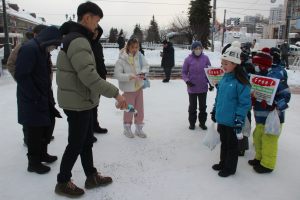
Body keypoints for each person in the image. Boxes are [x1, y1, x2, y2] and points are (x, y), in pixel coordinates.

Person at [55, 2, 127, 197]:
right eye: (96, 20)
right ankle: (62, 181)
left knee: (85, 141)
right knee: (76, 143)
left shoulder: (75, 38)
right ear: (87, 18)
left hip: (81, 100)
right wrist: (115, 93)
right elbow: (89, 76)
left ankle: (91, 176)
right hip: (78, 101)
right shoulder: (78, 41)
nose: (97, 25)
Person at [15, 26, 62, 174]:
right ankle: (33, 163)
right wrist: (35, 97)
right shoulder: (30, 49)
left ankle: (43, 153)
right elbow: (22, 76)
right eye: (55, 44)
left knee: (47, 126)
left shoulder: (42, 49)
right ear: (49, 40)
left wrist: (48, 97)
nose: (55, 48)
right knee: (35, 131)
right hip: (32, 99)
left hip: (43, 96)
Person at [211, 41, 251, 177]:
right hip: (222, 119)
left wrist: (239, 118)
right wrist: (214, 110)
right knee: (224, 143)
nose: (223, 66)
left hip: (233, 121)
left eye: (226, 64)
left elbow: (244, 103)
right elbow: (219, 97)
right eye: (222, 63)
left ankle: (230, 168)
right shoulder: (224, 79)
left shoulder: (241, 82)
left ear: (235, 64)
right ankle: (223, 163)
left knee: (232, 146)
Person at [249, 47, 291, 173]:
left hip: (273, 116)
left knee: (269, 140)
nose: (255, 66)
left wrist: (277, 104)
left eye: (257, 64)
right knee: (258, 137)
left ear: (263, 65)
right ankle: (259, 157)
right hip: (260, 115)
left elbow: (285, 94)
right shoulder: (258, 76)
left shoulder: (276, 75)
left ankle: (267, 164)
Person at [114, 38, 150, 138]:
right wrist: (129, 76)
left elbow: (146, 66)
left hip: (138, 87)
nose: (135, 49)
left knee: (139, 109)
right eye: (133, 47)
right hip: (129, 90)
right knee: (130, 109)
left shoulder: (139, 56)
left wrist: (143, 72)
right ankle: (127, 128)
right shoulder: (121, 59)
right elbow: (117, 74)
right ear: (128, 47)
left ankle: (139, 128)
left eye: (136, 47)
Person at [182, 41, 213, 131]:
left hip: (203, 87)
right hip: (192, 88)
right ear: (193, 49)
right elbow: (184, 72)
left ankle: (202, 123)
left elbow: (209, 72)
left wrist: (211, 83)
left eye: (200, 48)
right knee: (193, 107)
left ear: (202, 49)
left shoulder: (205, 58)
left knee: (203, 107)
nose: (198, 50)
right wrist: (187, 81)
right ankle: (192, 123)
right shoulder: (188, 59)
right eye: (196, 48)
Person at [91, 25, 109, 138]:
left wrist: (103, 74)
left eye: (97, 32)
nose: (95, 34)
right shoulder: (85, 43)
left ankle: (94, 125)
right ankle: (88, 130)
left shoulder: (98, 45)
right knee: (88, 105)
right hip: (89, 78)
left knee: (95, 104)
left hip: (99, 77)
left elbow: (101, 60)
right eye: (94, 31)